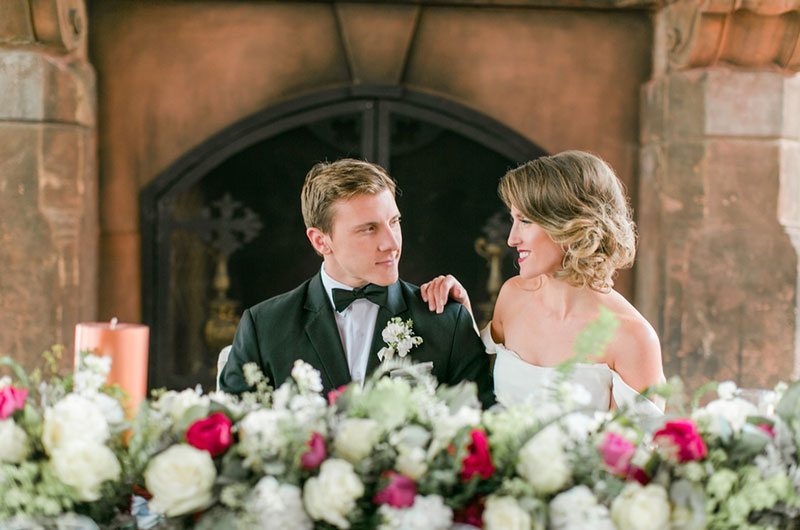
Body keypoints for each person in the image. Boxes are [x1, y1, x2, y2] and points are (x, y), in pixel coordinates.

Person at [219, 158, 494, 408]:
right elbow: (235, 438)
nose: (392, 243)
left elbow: (479, 431)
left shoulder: (447, 321)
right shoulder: (263, 327)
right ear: (320, 240)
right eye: (368, 229)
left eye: (394, 222)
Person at [421, 151, 664, 413]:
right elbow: (480, 385)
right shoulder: (512, 295)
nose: (511, 239)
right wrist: (460, 313)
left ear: (571, 225)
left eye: (525, 221)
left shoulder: (632, 337)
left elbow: (631, 450)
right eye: (513, 219)